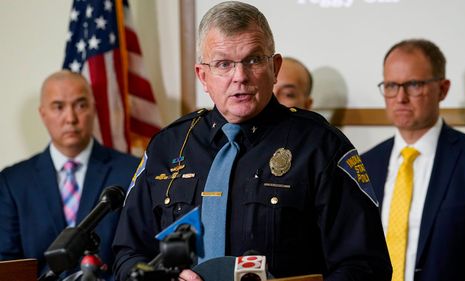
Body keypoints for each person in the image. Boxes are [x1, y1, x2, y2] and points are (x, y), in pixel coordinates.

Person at [113, 2, 391, 281]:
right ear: (203, 76)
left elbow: (365, 266)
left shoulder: (321, 147)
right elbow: (127, 255)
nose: (240, 77)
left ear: (275, 67)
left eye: (254, 60)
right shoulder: (168, 146)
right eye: (223, 64)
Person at [362, 39, 465, 281]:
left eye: (414, 84)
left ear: (443, 89)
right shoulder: (365, 165)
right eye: (391, 85)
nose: (400, 97)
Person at [0, 70, 140, 279]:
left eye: (81, 105)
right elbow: (8, 265)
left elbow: (137, 253)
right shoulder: (13, 182)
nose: (70, 118)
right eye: (58, 107)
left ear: (94, 109)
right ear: (42, 114)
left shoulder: (132, 172)